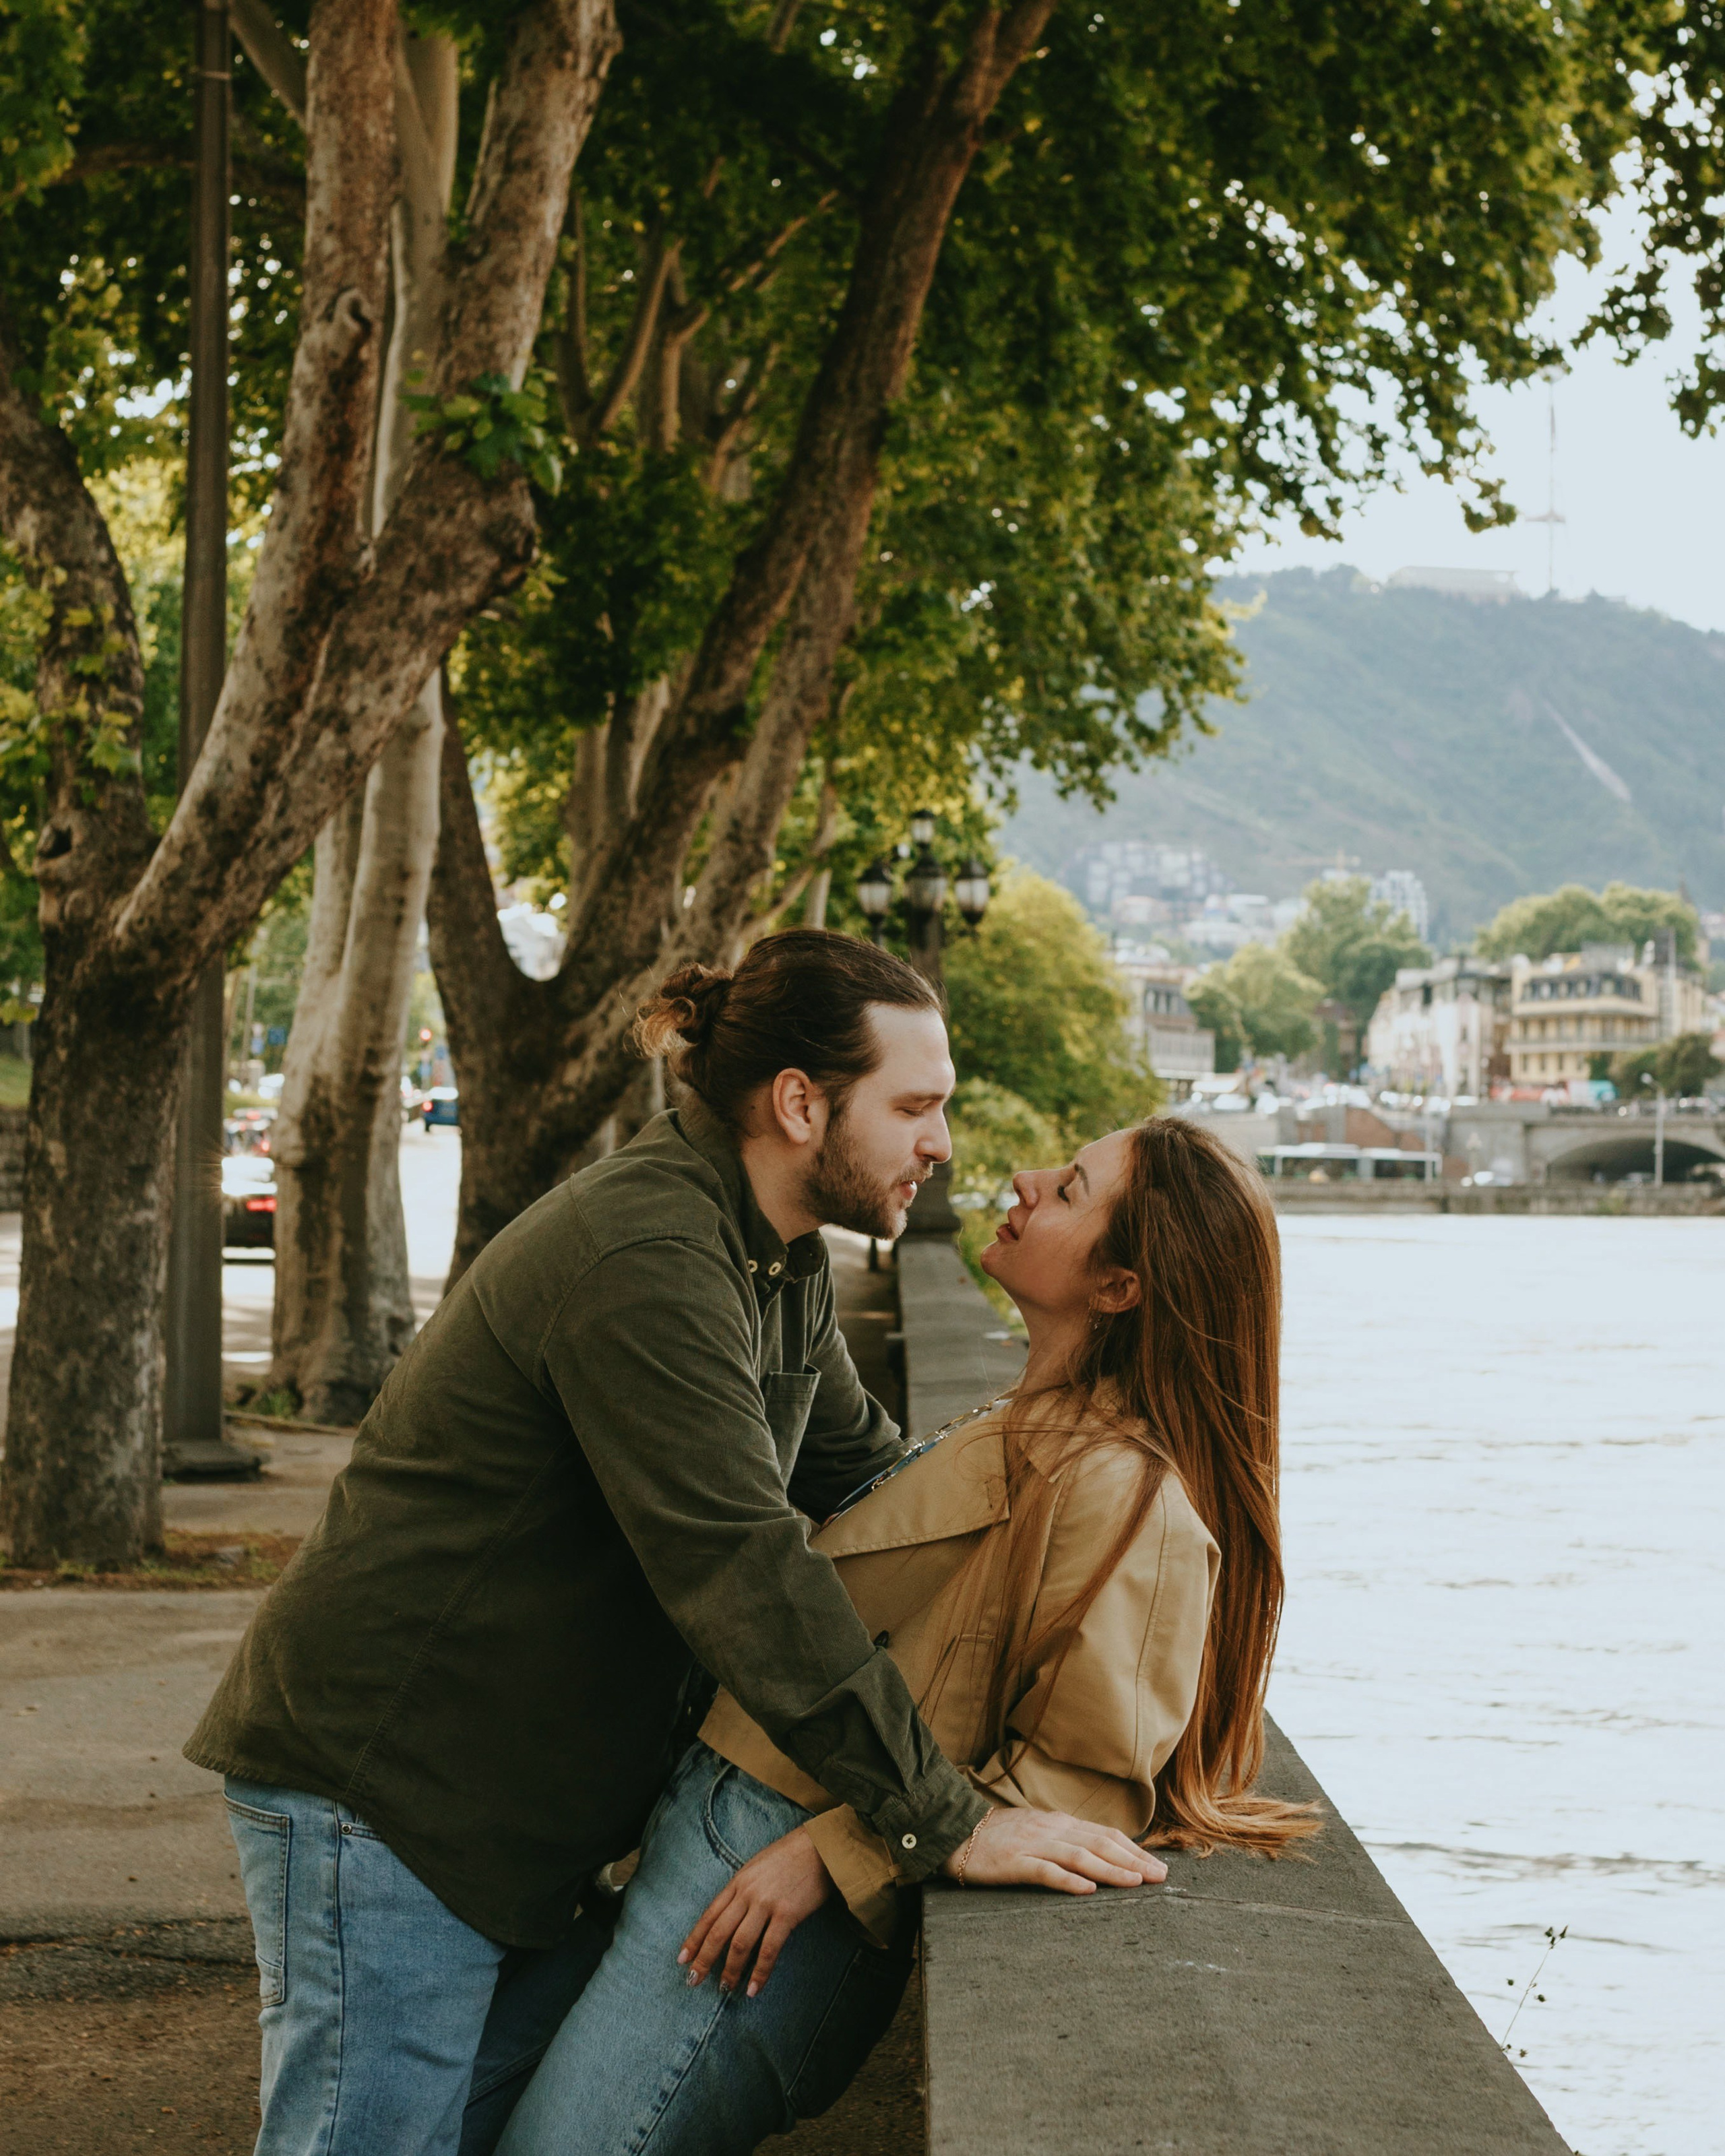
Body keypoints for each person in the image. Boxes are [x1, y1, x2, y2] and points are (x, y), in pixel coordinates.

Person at [186, 929, 1114, 2156]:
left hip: (503, 1816)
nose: (940, 1145)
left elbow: (876, 1485)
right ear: (800, 1103)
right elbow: (743, 1565)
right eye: (916, 1106)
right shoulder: (651, 1258)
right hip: (392, 1791)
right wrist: (941, 1819)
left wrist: (1091, 1425)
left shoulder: (773, 1259)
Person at [495, 1114, 1320, 2156]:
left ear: (1122, 1287)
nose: (1022, 1180)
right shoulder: (1029, 1419)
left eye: (1068, 1190)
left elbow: (1086, 1783)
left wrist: (829, 1854)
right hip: (714, 1841)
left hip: (781, 1901)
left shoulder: (1128, 1494)